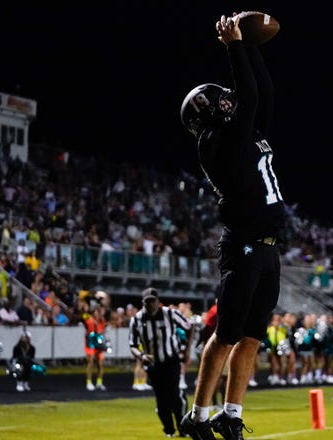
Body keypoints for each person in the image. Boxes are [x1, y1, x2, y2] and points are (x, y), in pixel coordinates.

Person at [179, 12, 287, 440]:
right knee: (226, 335)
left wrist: (252, 49)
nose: (226, 99)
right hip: (242, 244)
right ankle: (198, 416)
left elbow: (263, 93)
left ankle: (231, 412)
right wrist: (234, 46)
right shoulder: (216, 143)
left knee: (252, 338)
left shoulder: (242, 131)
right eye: (216, 98)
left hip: (268, 246)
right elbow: (248, 97)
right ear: (204, 114)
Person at [129, 288, 193, 437]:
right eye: (147, 302)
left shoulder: (170, 314)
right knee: (161, 400)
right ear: (143, 303)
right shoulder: (137, 319)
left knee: (174, 395)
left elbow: (189, 327)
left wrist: (186, 351)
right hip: (153, 364)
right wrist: (141, 355)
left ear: (158, 302)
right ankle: (169, 430)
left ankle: (182, 427)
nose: (150, 305)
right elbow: (132, 344)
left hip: (171, 360)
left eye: (153, 301)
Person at [83, 305, 109, 391]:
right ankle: (89, 382)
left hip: (99, 343)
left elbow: (102, 331)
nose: (99, 313)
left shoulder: (102, 321)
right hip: (91, 343)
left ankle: (99, 382)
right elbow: (91, 334)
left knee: (100, 364)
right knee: (90, 362)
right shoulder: (90, 321)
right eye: (97, 312)